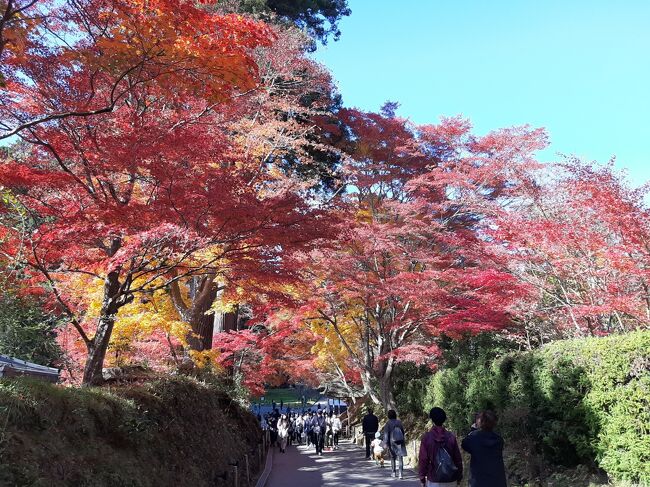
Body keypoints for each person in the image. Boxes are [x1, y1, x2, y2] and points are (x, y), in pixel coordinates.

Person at [418, 407, 463, 487]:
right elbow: (457, 459)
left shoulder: (427, 438)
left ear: (432, 420)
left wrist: (422, 478)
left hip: (434, 480)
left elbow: (423, 460)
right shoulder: (451, 437)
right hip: (451, 479)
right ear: (444, 419)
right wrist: (459, 477)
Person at [461, 410, 507, 487]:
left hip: (479, 482)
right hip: (498, 481)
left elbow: (464, 444)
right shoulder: (499, 440)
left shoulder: (474, 438)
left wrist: (473, 430)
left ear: (480, 422)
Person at [383, 409, 408, 479]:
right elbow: (402, 432)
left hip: (392, 442)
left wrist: (385, 443)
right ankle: (401, 474)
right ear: (395, 415)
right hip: (400, 441)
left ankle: (393, 472)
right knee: (400, 458)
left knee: (392, 457)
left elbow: (386, 434)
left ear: (388, 416)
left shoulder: (388, 423)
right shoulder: (399, 422)